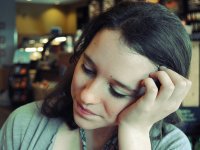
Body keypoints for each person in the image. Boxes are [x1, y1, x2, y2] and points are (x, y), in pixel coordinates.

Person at [0, 1, 192, 150]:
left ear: (158, 93)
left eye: (117, 90)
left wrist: (134, 133)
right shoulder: (24, 124)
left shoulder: (172, 145)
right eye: (88, 69)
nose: (86, 96)